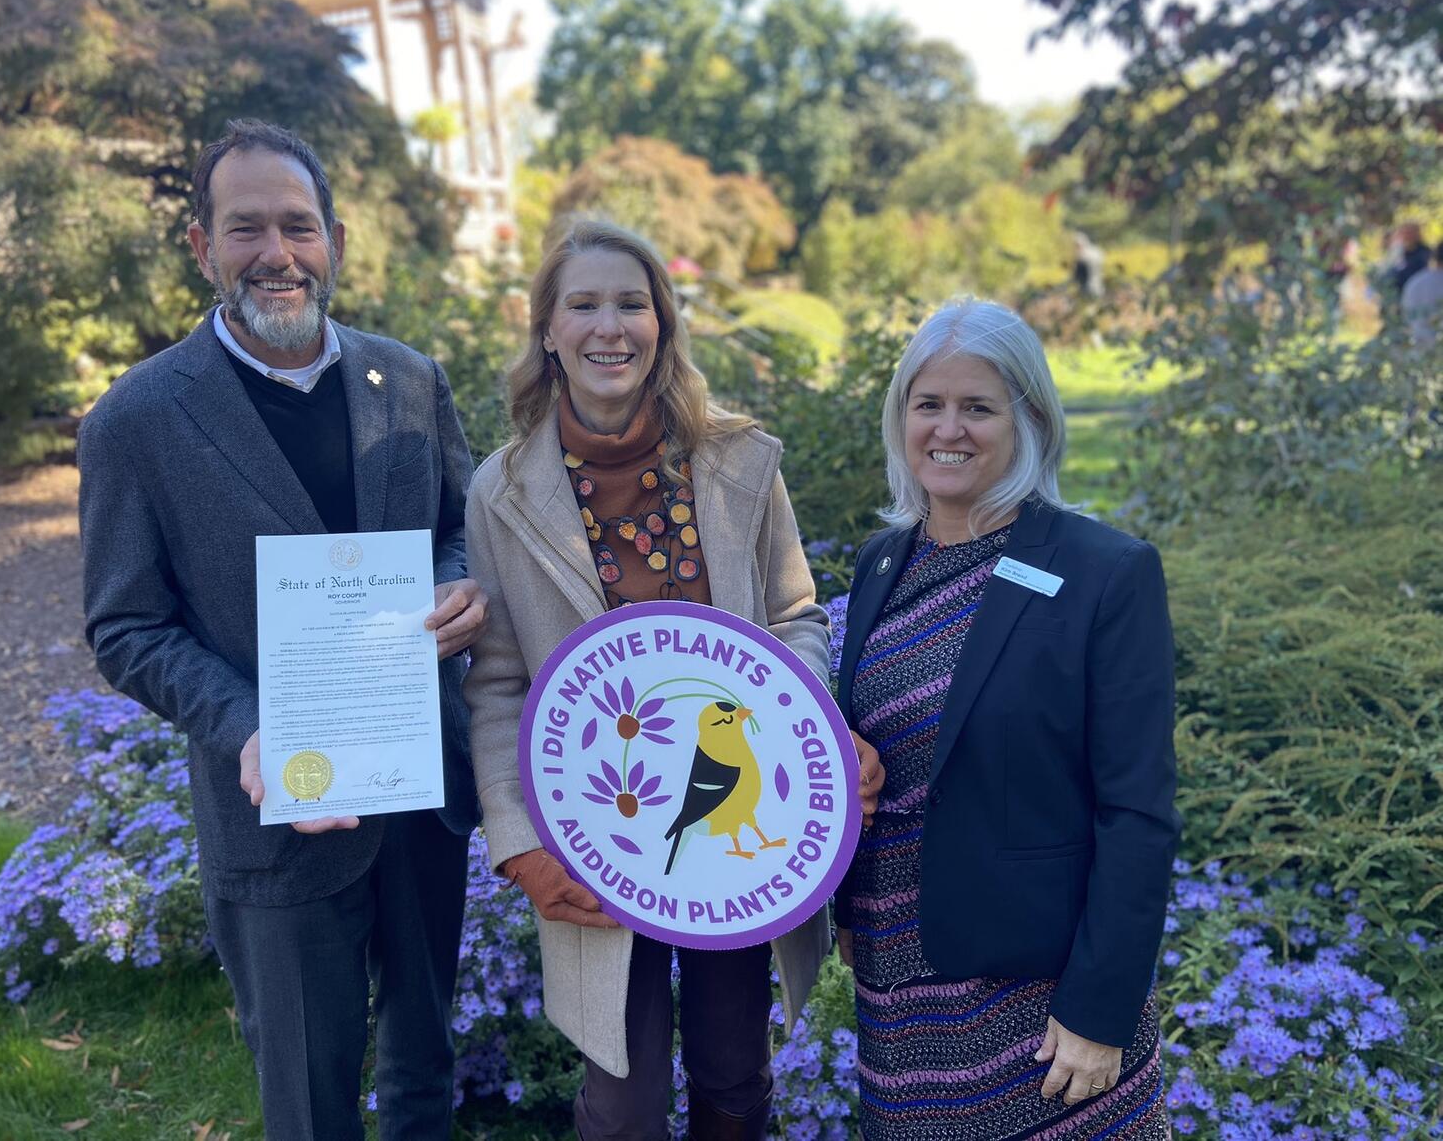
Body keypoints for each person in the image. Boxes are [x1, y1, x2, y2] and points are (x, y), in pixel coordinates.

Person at [78, 120, 487, 1141]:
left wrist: (457, 587)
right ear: (201, 244)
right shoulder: (136, 420)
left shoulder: (411, 380)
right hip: (273, 801)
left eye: (298, 227)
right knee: (306, 1097)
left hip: (418, 779)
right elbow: (126, 624)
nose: (277, 254)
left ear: (335, 239)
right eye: (246, 228)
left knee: (425, 1072)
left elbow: (459, 528)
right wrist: (250, 727)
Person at [462, 219, 883, 1140]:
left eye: (631, 303)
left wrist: (808, 729)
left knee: (736, 1075)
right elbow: (497, 685)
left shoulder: (738, 462)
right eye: (584, 305)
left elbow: (794, 619)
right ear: (547, 330)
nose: (609, 327)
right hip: (593, 832)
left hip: (741, 829)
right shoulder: (500, 492)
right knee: (622, 1101)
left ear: (662, 324)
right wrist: (518, 839)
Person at [833, 298, 1178, 1139]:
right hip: (900, 1002)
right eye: (929, 404)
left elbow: (1138, 813)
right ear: (900, 417)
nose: (948, 429)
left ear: (1029, 419)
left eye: (978, 407)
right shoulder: (881, 564)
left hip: (1044, 1014)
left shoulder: (1107, 572)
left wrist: (1100, 1009)